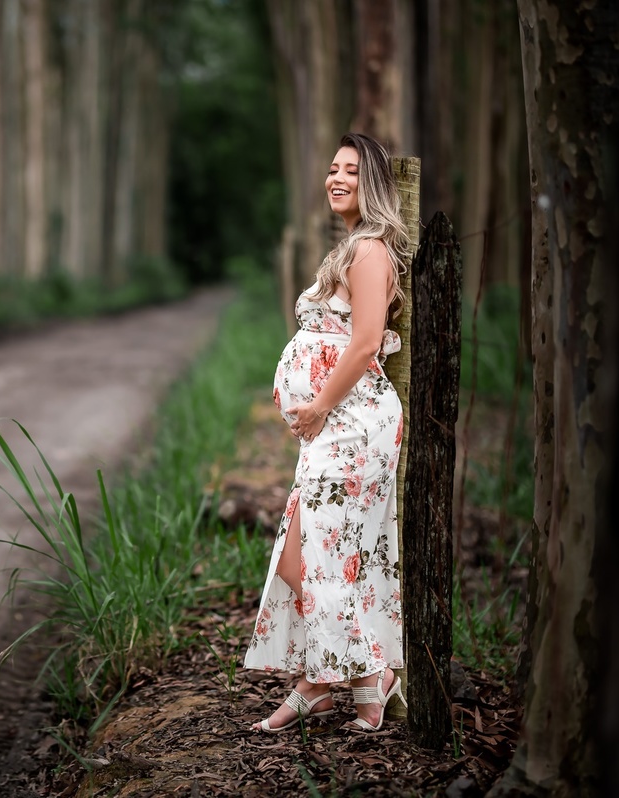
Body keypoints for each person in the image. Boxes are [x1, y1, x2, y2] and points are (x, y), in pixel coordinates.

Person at [244, 132, 408, 734]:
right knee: (312, 557)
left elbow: (364, 342)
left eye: (351, 171)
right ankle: (352, 679)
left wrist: (315, 407)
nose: (336, 178)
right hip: (335, 427)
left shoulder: (370, 251)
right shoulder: (351, 248)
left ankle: (335, 681)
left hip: (353, 426)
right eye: (332, 169)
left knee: (313, 558)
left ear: (375, 183)